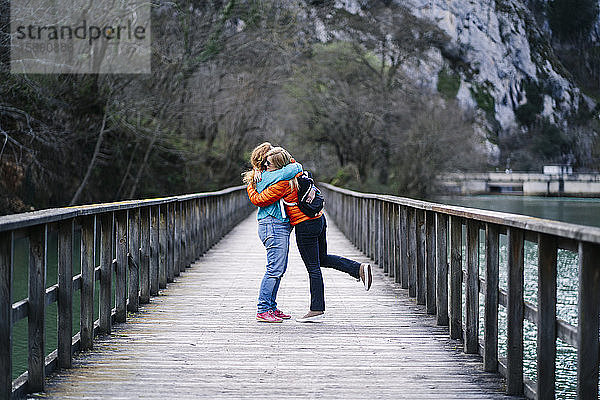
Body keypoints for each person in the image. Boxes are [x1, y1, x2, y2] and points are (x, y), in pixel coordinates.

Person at [247, 148, 372, 323]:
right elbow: (292, 164)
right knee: (322, 258)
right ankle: (357, 269)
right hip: (319, 219)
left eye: (269, 164)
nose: (266, 166)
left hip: (305, 226)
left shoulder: (282, 183)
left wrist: (251, 185)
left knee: (313, 267)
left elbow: (259, 199)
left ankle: (315, 309)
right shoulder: (298, 172)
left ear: (278, 166)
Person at [242, 143, 303, 323]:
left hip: (276, 224)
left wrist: (256, 167)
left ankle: (271, 307)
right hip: (272, 225)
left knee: (279, 268)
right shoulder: (273, 176)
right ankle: (263, 309)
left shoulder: (262, 175)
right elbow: (296, 166)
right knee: (274, 269)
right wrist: (282, 159)